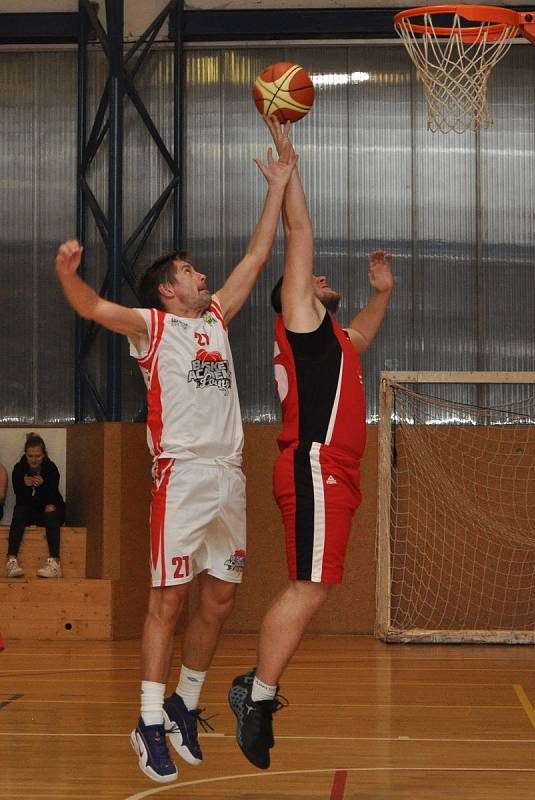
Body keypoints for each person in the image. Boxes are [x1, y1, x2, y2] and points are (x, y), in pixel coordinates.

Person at [55, 141, 298, 784]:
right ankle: (147, 720)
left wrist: (277, 185)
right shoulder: (152, 327)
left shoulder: (216, 317)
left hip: (229, 477)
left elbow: (257, 257)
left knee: (219, 600)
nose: (202, 275)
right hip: (183, 475)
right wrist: (69, 276)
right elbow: (91, 308)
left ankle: (185, 706)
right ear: (169, 288)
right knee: (168, 601)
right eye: (190, 271)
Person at [228, 117, 394, 770]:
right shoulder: (298, 314)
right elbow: (299, 234)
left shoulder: (332, 342)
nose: (323, 279)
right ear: (298, 298)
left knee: (316, 585)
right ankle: (257, 692)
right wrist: (287, 166)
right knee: (308, 587)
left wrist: (383, 296)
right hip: (316, 464)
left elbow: (361, 335)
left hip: (334, 470)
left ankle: (260, 690)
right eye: (315, 280)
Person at [5, 432, 66, 579]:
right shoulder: (19, 469)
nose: (33, 460)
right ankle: (11, 561)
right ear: (25, 454)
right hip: (30, 511)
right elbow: (20, 499)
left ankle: (54, 562)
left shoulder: (51, 468)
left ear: (43, 455)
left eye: (37, 456)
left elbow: (52, 498)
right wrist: (25, 486)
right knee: (19, 510)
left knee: (50, 509)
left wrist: (43, 485)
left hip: (50, 510)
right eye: (30, 456)